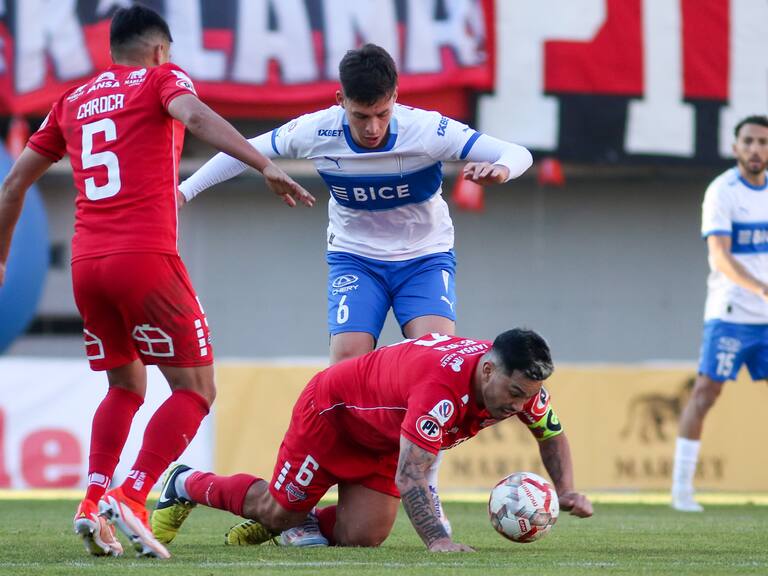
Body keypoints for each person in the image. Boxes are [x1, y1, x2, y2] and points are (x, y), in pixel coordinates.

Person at [177, 43, 534, 535]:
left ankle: (426, 499)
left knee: (437, 369)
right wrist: (181, 193)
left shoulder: (426, 128)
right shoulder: (315, 130)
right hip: (355, 260)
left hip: (424, 260)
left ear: (396, 99)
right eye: (361, 115)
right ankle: (300, 502)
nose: (372, 127)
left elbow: (519, 152)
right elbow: (241, 151)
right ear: (340, 99)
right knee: (345, 373)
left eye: (382, 113)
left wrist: (503, 169)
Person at [0, 5, 314, 559]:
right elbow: (193, 118)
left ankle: (93, 501)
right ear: (160, 50)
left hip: (85, 265)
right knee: (196, 391)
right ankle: (135, 493)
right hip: (144, 258)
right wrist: (260, 162)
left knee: (125, 386)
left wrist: (2, 259)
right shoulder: (161, 78)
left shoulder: (71, 101)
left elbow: (13, 186)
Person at [151, 329, 593, 552]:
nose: (519, 407)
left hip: (384, 438)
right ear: (488, 371)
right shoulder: (440, 389)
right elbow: (413, 473)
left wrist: (568, 488)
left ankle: (302, 521)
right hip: (333, 416)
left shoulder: (519, 387)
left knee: (363, 537)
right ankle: (185, 483)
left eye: (528, 397)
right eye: (514, 395)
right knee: (276, 510)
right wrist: (437, 539)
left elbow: (550, 433)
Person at [671, 115, 768, 512]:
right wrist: (760, 288)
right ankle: (681, 489)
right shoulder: (722, 191)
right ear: (735, 147)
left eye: (763, 142)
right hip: (731, 314)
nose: (755, 149)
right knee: (706, 394)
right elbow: (721, 257)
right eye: (748, 141)